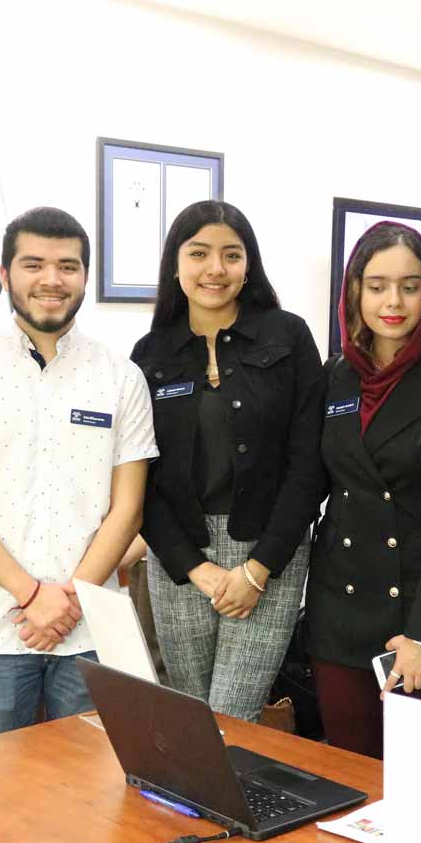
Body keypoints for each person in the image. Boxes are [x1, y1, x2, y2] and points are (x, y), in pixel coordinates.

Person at [0, 206, 157, 745]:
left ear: (84, 277)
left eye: (68, 266)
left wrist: (70, 599)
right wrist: (31, 595)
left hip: (92, 629)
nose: (51, 280)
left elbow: (129, 510)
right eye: (33, 264)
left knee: (90, 798)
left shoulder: (121, 378)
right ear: (5, 275)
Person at [129, 201, 324, 723]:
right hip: (180, 559)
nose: (215, 269)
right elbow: (138, 480)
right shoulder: (149, 354)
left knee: (232, 719)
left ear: (248, 264)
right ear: (176, 264)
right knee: (194, 718)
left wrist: (257, 569)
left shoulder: (289, 336)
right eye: (199, 253)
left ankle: (229, 804)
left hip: (268, 554)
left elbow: (309, 465)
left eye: (231, 255)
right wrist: (195, 568)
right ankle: (201, 807)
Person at [305, 221, 421, 758]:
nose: (393, 301)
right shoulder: (334, 378)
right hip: (339, 613)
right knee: (346, 775)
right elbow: (311, 486)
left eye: (410, 285)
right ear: (354, 290)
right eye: (376, 285)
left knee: (413, 784)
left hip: (416, 618)